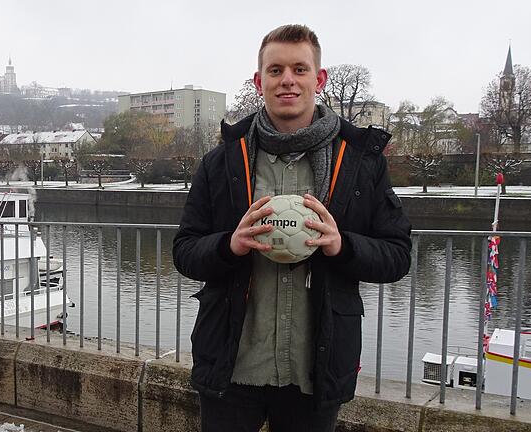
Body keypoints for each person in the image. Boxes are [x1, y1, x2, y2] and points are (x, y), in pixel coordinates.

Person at [172, 24, 412, 432]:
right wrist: (230, 246)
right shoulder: (222, 161)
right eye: (275, 70)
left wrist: (342, 246)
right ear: (258, 80)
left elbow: (397, 255)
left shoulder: (359, 162)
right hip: (232, 366)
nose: (287, 80)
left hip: (314, 370)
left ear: (319, 79)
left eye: (300, 69)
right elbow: (185, 251)